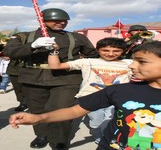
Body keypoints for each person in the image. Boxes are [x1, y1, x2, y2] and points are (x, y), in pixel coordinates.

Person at [9, 41, 161, 150]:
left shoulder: (125, 66)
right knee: (97, 123)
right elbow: (75, 111)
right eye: (134, 60)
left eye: (141, 61)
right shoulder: (120, 90)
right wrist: (39, 118)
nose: (132, 65)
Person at [3, 8, 98, 150]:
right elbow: (9, 52)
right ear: (43, 20)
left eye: (64, 20)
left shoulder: (77, 37)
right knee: (37, 109)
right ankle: (42, 135)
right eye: (56, 20)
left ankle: (59, 140)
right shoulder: (24, 36)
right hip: (33, 78)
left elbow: (93, 55)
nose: (61, 23)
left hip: (67, 78)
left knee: (61, 109)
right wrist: (33, 46)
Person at [47, 37, 133, 144]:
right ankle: (99, 137)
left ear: (123, 51)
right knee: (96, 123)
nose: (110, 54)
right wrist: (53, 51)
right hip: (92, 99)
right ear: (97, 50)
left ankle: (106, 140)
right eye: (105, 50)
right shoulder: (87, 62)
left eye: (116, 51)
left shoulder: (130, 63)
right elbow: (55, 66)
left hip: (117, 100)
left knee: (112, 122)